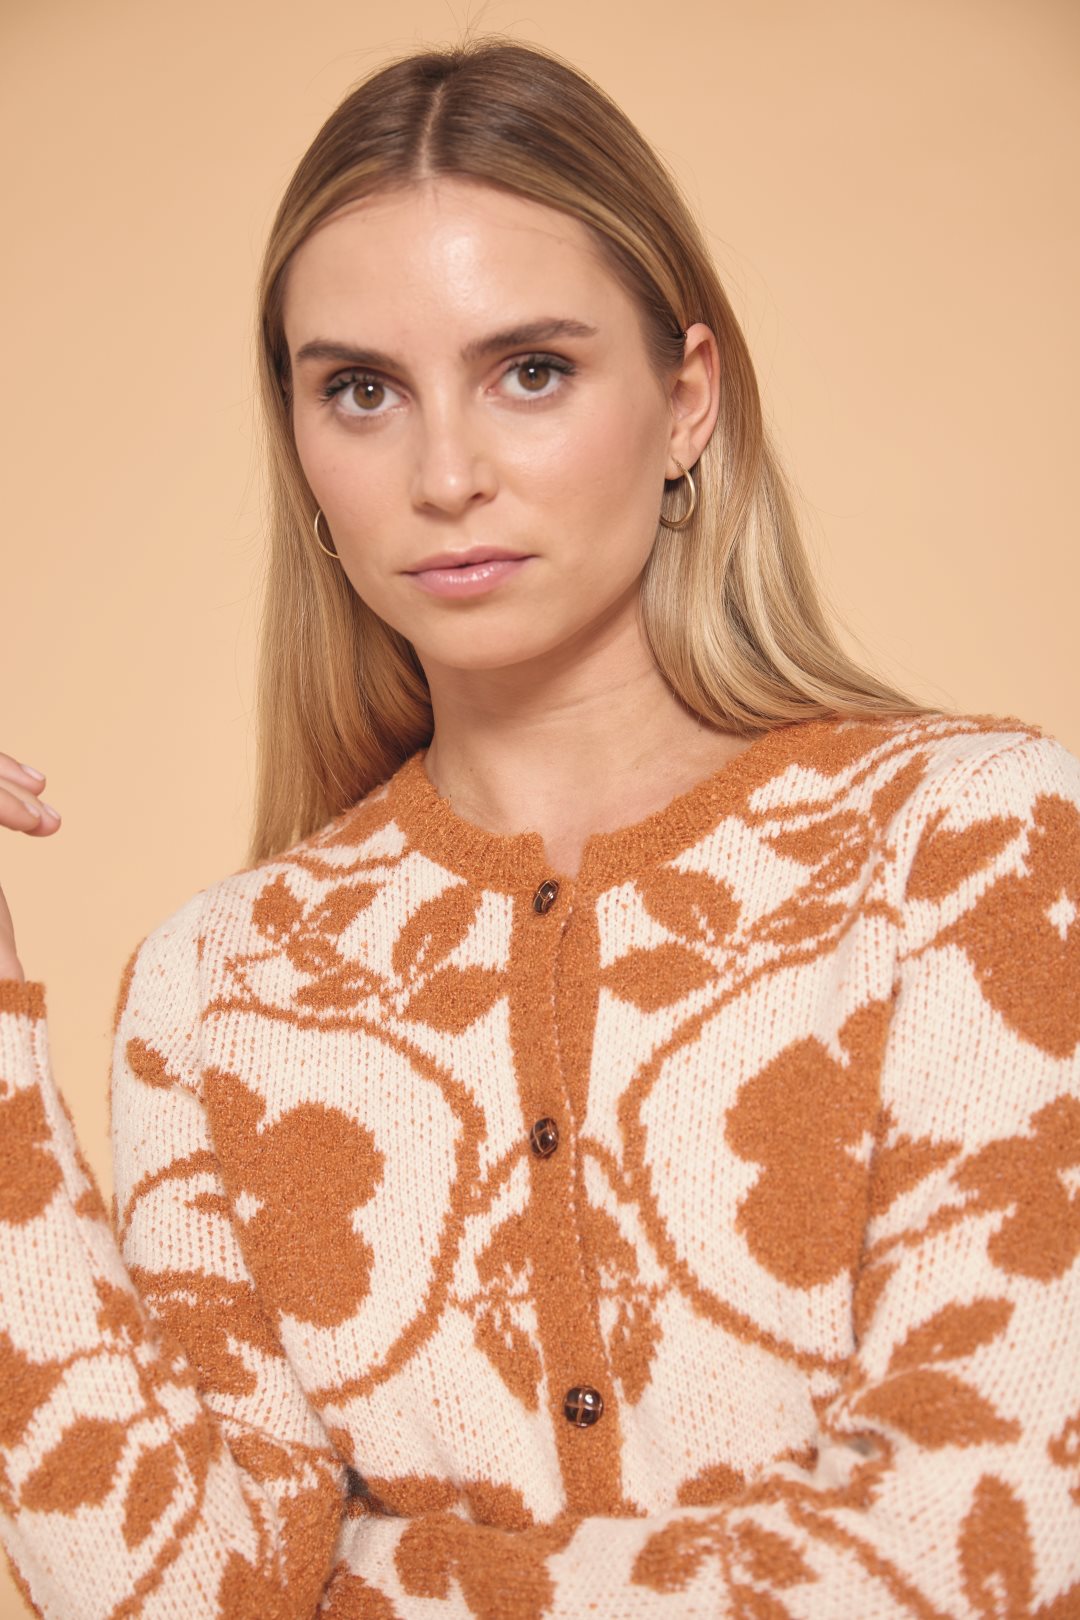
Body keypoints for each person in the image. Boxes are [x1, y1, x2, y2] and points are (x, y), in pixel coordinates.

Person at [1, 36, 1077, 1620]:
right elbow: (172, 1593)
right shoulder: (214, 989)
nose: (445, 474)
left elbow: (984, 1531)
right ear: (298, 443)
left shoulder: (976, 852)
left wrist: (380, 1574)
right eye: (360, 390)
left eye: (531, 370)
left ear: (686, 401)